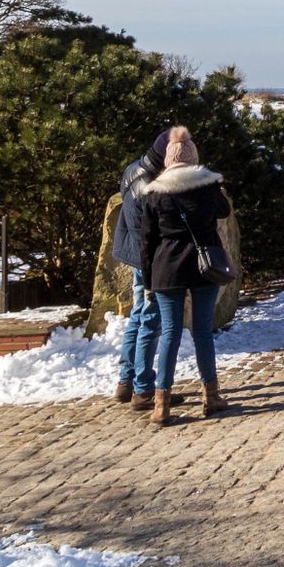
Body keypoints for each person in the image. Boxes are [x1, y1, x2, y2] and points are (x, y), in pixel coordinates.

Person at [135, 125, 234, 424]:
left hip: (167, 269)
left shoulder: (154, 194)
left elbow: (147, 242)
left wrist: (149, 282)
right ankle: (210, 395)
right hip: (204, 267)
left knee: (170, 334)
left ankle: (161, 403)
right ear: (193, 158)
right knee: (203, 332)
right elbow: (224, 212)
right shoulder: (208, 188)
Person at [112, 128, 170, 408]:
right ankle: (143, 387)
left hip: (134, 254)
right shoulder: (151, 185)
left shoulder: (132, 169)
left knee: (138, 317)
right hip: (146, 259)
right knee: (150, 319)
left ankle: (126, 380)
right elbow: (148, 231)